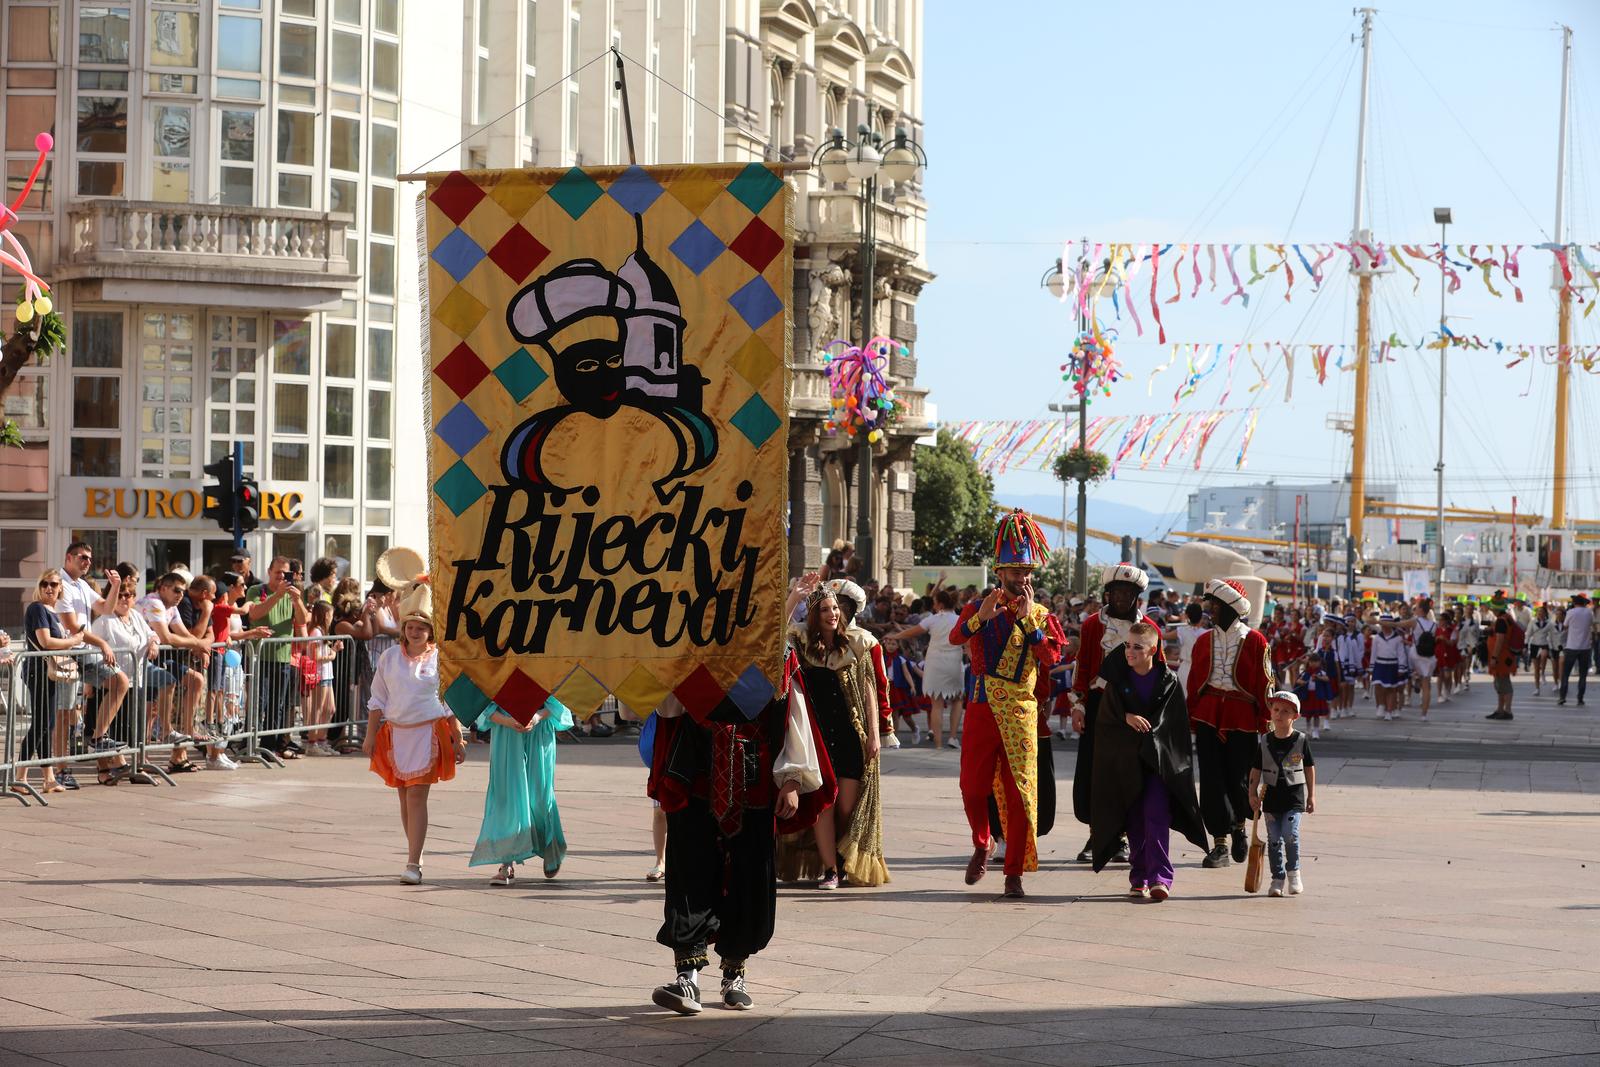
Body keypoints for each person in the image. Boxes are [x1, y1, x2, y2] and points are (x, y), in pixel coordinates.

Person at [647, 650, 835, 1015]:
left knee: (749, 878)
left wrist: (792, 778)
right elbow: (668, 709)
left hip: (755, 780)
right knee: (689, 874)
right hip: (695, 775)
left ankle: (735, 973)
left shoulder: (776, 652)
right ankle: (687, 978)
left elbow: (794, 716)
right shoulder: (691, 646)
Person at [953, 509, 1065, 898]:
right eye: (1016, 571)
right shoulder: (978, 607)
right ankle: (983, 842)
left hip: (1020, 711)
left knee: (1021, 793)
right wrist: (978, 620)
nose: (1024, 578)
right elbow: (955, 638)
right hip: (982, 706)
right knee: (972, 786)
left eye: (1028, 572)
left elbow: (1051, 659)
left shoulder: (1041, 615)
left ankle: (1013, 871)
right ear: (999, 572)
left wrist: (1030, 625)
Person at [775, 586, 888, 890]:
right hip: (816, 736)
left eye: (835, 609)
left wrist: (875, 736)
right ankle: (831, 869)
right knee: (823, 803)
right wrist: (794, 599)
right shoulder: (800, 643)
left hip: (851, 734)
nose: (832, 614)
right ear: (814, 615)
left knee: (846, 806)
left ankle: (842, 858)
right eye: (824, 609)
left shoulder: (856, 643)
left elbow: (869, 693)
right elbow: (773, 638)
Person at [1088, 623, 1208, 902]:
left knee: (1156, 815)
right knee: (1134, 822)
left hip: (1157, 763)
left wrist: (1150, 732)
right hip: (1127, 762)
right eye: (1128, 645)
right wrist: (1125, 717)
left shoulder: (1168, 680)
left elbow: (1174, 725)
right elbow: (1106, 719)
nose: (1129, 651)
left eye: (1137, 647)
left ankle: (1160, 878)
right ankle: (1138, 876)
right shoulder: (1119, 681)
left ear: (1153, 650)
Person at [362, 571, 466, 884]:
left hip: (427, 733)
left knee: (416, 798)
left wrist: (458, 737)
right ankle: (415, 854)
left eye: (421, 627)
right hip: (395, 733)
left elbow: (449, 703)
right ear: (403, 629)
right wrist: (369, 737)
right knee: (404, 798)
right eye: (410, 627)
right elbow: (378, 698)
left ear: (430, 630)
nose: (415, 632)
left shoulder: (440, 660)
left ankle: (413, 864)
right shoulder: (390, 657)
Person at [1068, 563, 1163, 864]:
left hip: (1134, 708)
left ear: (1137, 596)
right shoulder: (1092, 626)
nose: (1122, 597)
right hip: (1099, 705)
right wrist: (1079, 704)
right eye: (1117, 591)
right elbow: (1083, 667)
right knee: (1096, 770)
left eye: (1129, 592)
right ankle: (1097, 834)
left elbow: (1158, 673)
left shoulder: (1151, 629)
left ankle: (1122, 836)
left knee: (1128, 772)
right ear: (1108, 594)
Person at [1187, 578, 1271, 869]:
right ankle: (1219, 843)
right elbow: (1194, 681)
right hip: (1209, 714)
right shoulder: (1202, 641)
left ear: (1231, 608)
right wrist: (1191, 716)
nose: (1210, 611)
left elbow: (1264, 684)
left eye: (1216, 606)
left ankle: (1238, 828)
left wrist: (1267, 723)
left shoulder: (1256, 641)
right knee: (1211, 779)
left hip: (1242, 716)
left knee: (1240, 778)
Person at [471, 696, 575, 885]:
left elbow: (558, 700)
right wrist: (506, 720)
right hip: (505, 731)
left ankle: (552, 845)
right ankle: (506, 862)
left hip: (540, 728)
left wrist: (537, 717)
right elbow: (484, 704)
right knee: (506, 795)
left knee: (540, 796)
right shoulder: (497, 666)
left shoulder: (545, 666)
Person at [1249, 691, 1316, 897]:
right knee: (1274, 839)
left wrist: (1312, 795)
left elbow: (1309, 768)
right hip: (1271, 798)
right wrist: (1252, 793)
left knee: (1290, 835)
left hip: (1293, 798)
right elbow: (1256, 769)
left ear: (1295, 716)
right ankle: (1277, 878)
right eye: (1276, 710)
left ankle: (1294, 873)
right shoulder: (1265, 741)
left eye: (1285, 711)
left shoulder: (1301, 740)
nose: (1279, 715)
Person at [885, 587, 965, 749]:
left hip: (935, 662)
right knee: (957, 699)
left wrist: (894, 635)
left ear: (940, 604)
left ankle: (937, 744)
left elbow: (911, 633)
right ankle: (952, 737)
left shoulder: (932, 619)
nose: (933, 606)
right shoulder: (959, 620)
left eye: (935, 603)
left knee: (936, 704)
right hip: (954, 661)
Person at [247, 558, 309, 758]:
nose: (281, 576)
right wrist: (277, 594)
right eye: (278, 572)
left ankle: (269, 747)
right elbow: (255, 614)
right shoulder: (257, 590)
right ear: (269, 571)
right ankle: (249, 745)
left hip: (283, 658)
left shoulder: (291, 595)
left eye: (285, 573)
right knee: (259, 703)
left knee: (277, 706)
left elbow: (302, 620)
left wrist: (297, 600)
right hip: (260, 656)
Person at [1368, 614, 1410, 721]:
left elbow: (1401, 654)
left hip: (1392, 665)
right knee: (1378, 686)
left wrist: (1401, 668)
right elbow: (1374, 653)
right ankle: (1381, 705)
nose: (1385, 626)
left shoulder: (1398, 638)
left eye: (1387, 624)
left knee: (1391, 689)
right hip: (1379, 664)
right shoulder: (1377, 638)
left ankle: (1389, 711)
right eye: (1383, 624)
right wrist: (1371, 667)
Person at [1557, 593, 1593, 707]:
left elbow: (1565, 626)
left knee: (1566, 674)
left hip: (1571, 647)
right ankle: (1580, 699)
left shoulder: (1570, 612)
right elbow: (1590, 624)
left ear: (1574, 603)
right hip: (1585, 648)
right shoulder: (1589, 612)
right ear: (1584, 603)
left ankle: (1562, 697)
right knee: (1583, 675)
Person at [1487, 617, 1517, 721]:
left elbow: (1500, 639)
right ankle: (1500, 710)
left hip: (1502, 657)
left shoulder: (1501, 621)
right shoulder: (1505, 619)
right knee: (1499, 683)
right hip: (1504, 656)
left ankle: (1507, 710)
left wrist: (1494, 657)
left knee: (1504, 682)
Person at [1528, 604, 1555, 696]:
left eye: (1542, 613)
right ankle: (1537, 688)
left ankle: (1543, 672)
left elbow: (1553, 634)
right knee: (1536, 669)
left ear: (1545, 614)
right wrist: (1525, 644)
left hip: (1544, 644)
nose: (1540, 614)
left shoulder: (1549, 623)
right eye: (1539, 612)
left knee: (1544, 655)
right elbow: (1528, 633)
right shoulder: (1532, 622)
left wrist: (1553, 645)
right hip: (1535, 645)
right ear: (1536, 614)